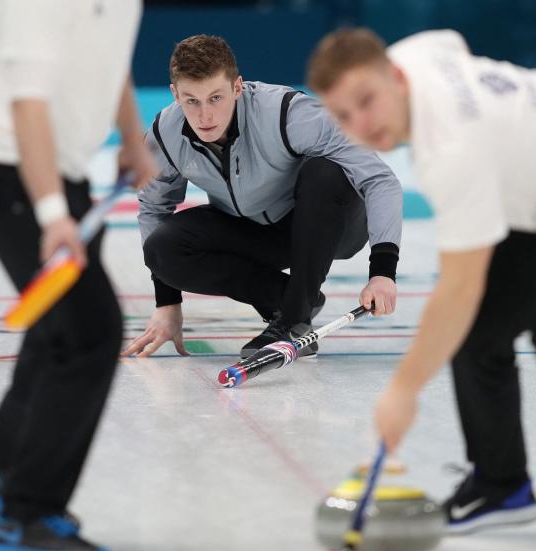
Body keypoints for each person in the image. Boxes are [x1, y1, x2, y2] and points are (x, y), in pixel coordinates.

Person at [307, 28, 536, 551]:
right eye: (343, 116)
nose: (362, 125)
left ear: (394, 79)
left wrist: (402, 391)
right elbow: (451, 39)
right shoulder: (413, 57)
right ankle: (501, 485)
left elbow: (458, 289)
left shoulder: (453, 146)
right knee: (481, 331)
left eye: (367, 101)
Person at [0, 0, 155, 551]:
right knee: (89, 332)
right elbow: (26, 103)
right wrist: (53, 213)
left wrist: (130, 135)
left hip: (55, 159)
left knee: (65, 322)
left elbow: (107, 58)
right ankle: (24, 515)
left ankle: (5, 466)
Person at [122, 34, 403, 360]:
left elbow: (380, 179)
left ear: (237, 88)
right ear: (175, 95)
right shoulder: (165, 134)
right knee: (162, 247)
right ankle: (285, 302)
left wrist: (383, 271)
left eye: (215, 98)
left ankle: (294, 319)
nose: (204, 117)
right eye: (192, 101)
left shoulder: (287, 114)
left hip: (331, 222)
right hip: (256, 232)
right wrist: (167, 303)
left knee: (325, 171)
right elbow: (154, 208)